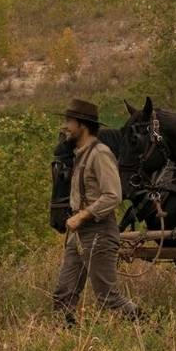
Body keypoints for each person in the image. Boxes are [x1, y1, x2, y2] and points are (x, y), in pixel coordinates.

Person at [52, 98, 139, 325]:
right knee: (63, 294)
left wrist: (81, 215)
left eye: (69, 122)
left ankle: (151, 330)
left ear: (82, 125)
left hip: (98, 232)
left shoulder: (100, 154)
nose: (65, 127)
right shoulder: (80, 154)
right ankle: (65, 343)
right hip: (79, 234)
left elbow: (113, 195)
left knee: (108, 299)